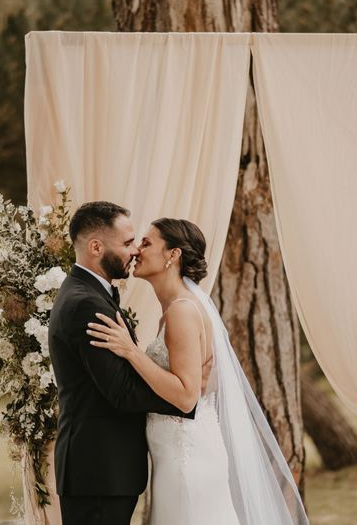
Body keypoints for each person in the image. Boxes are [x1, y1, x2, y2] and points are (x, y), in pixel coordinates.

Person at [88, 217, 309, 524]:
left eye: (147, 243)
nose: (137, 249)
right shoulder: (177, 309)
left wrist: (131, 352)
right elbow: (205, 380)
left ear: (172, 254)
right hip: (176, 454)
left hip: (186, 459)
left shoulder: (182, 310)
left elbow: (186, 398)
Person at [48, 202, 194, 525]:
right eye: (127, 243)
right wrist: (186, 397)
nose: (135, 251)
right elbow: (122, 391)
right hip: (98, 472)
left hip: (102, 471)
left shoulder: (91, 294)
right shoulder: (86, 304)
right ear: (96, 247)